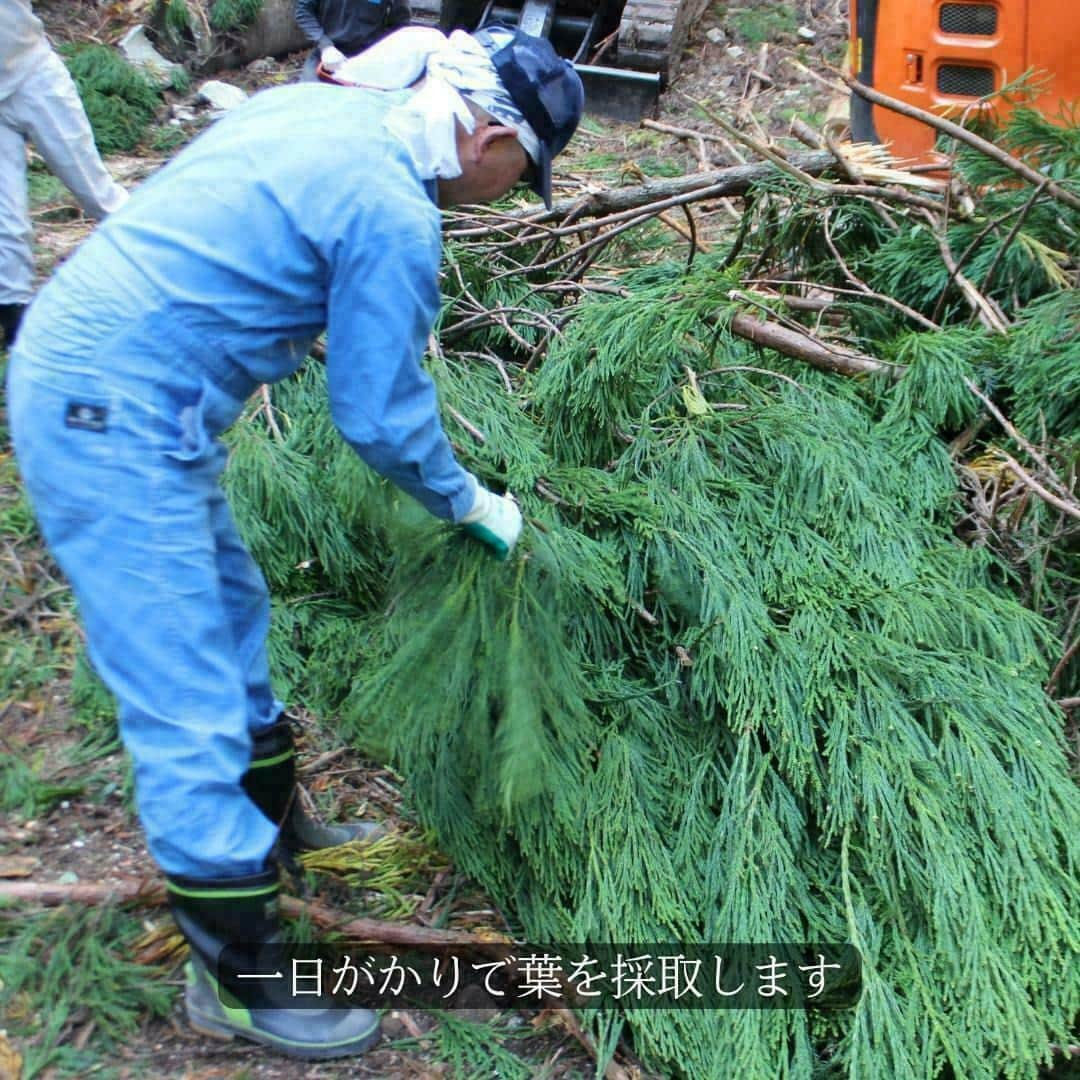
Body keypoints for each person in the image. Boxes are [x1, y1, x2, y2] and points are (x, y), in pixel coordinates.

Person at [6, 24, 582, 1060]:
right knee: (183, 688)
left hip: (129, 387)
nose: (502, 197)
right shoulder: (392, 206)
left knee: (230, 613)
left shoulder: (329, 111)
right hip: (108, 411)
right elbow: (379, 413)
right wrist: (469, 502)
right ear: (496, 141)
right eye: (521, 178)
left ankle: (276, 834)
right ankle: (238, 973)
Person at [0, 0, 127, 348]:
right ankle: (16, 323)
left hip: (33, 73)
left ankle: (164, 266)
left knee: (97, 193)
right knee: (5, 222)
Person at [294, 0, 411, 82]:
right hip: (326, 55)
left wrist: (379, 53)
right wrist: (325, 46)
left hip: (370, 57)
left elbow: (400, 23)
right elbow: (304, 11)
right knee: (308, 101)